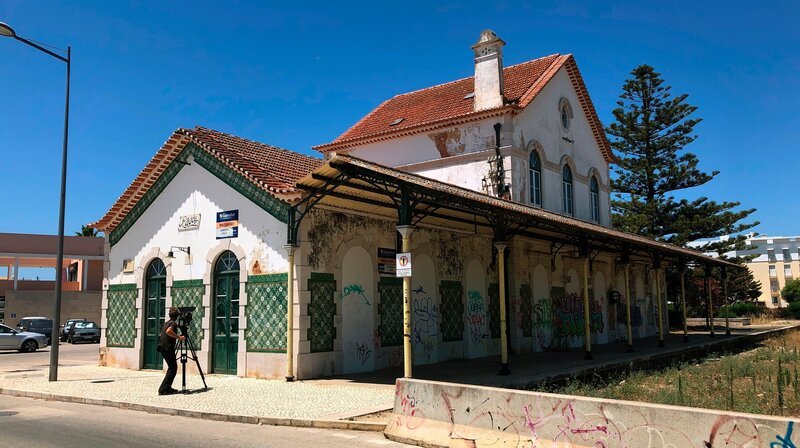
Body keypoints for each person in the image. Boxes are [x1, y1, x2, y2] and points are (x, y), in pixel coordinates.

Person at [157, 307, 185, 395]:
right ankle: (163, 388)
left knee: (171, 367)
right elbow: (169, 331)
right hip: (167, 348)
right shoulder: (173, 323)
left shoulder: (166, 323)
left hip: (162, 347)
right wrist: (179, 337)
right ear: (176, 316)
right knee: (173, 368)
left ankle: (167, 387)